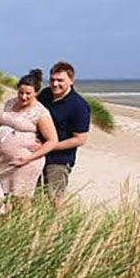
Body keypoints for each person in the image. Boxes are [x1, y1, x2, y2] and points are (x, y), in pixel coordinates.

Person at [0, 68, 58, 202]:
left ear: (36, 93)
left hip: (24, 163)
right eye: (21, 93)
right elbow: (3, 125)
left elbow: (52, 140)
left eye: (28, 94)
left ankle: (27, 223)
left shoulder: (40, 112)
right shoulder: (10, 103)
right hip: (2, 161)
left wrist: (29, 158)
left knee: (21, 200)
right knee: (0, 198)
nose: (23, 97)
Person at [37, 61, 91, 205]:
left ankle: (56, 227)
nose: (55, 84)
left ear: (71, 81)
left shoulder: (79, 106)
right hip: (36, 155)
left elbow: (80, 139)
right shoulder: (45, 95)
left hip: (59, 159)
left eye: (60, 80)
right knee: (32, 194)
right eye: (52, 80)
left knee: (54, 199)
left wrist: (49, 146)